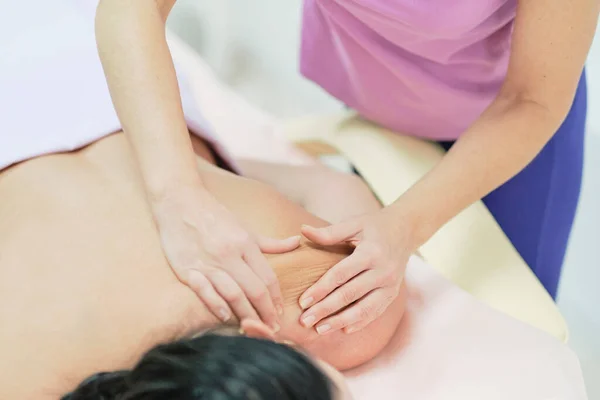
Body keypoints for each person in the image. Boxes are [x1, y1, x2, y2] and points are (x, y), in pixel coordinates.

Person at [94, 0, 598, 339]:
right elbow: (130, 9)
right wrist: (176, 195)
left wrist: (404, 225)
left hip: (511, 119)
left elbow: (532, 100)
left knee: (510, 324)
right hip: (378, 98)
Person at [0, 129, 404, 399]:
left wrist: (214, 175)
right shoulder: (23, 377)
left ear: (263, 338)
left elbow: (334, 184)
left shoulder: (347, 305)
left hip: (109, 98)